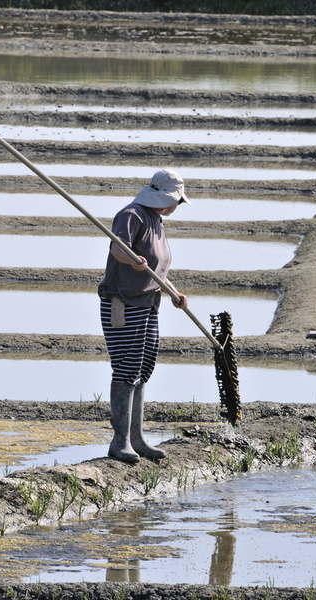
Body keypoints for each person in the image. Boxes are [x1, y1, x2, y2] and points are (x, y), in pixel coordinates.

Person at [99, 168, 191, 464]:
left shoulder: (156, 220)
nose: (179, 205)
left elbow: (158, 269)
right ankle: (120, 442)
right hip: (124, 303)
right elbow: (118, 249)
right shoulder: (132, 215)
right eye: (179, 200)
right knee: (127, 367)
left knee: (143, 367)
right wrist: (132, 261)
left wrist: (174, 292)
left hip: (148, 303)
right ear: (168, 198)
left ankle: (137, 440)